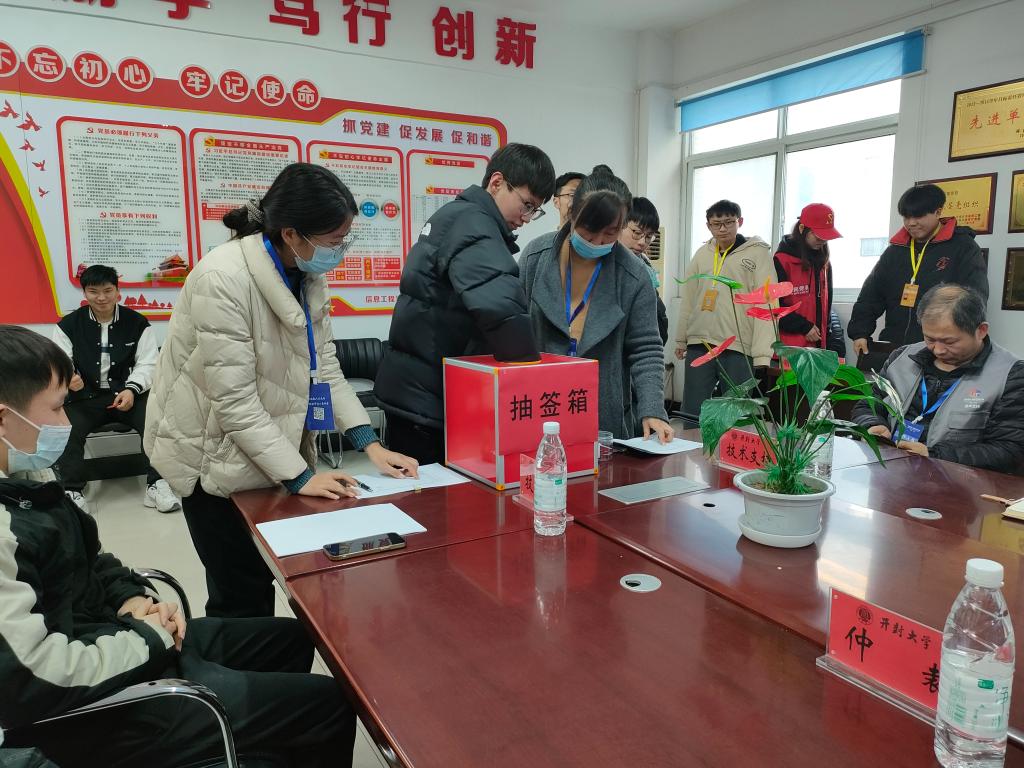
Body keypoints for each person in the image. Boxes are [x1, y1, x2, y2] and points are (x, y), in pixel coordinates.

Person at [0, 325, 355, 768]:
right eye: (56, 408)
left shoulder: (28, 478)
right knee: (328, 703)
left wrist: (132, 598)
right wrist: (150, 637)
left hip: (116, 642)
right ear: (3, 419)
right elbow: (29, 681)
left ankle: (259, 746)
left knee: (290, 638)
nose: (67, 424)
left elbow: (91, 561)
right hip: (95, 711)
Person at [145, 163, 419, 619]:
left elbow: (325, 366)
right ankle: (242, 663)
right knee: (241, 593)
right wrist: (301, 477)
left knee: (278, 573)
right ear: (291, 233)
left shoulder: (307, 274)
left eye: (345, 239)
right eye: (333, 240)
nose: (339, 251)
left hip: (264, 451)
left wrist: (369, 444)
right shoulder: (223, 278)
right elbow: (234, 402)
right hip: (209, 456)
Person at [375, 143, 556, 464]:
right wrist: (532, 379)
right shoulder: (474, 225)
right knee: (432, 490)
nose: (527, 218)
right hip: (428, 398)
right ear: (497, 183)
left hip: (418, 389)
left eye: (535, 210)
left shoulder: (458, 215)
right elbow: (502, 310)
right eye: (526, 205)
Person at [519, 166, 674, 442]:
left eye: (610, 233)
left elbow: (646, 348)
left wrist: (652, 409)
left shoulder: (633, 275)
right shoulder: (536, 258)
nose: (598, 241)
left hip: (603, 412)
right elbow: (513, 326)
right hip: (539, 402)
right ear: (573, 213)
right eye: (589, 231)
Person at [852, 285, 1024, 475]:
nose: (938, 350)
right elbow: (868, 404)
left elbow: (1010, 450)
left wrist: (934, 456)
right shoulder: (901, 358)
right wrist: (872, 424)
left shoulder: (1010, 374)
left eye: (949, 342)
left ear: (981, 331)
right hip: (890, 474)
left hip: (959, 483)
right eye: (930, 339)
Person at [50, 265, 179, 515]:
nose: (101, 298)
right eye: (93, 291)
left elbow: (149, 363)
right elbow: (59, 358)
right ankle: (72, 489)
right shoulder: (68, 325)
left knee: (156, 421)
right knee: (65, 427)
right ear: (84, 293)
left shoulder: (137, 323)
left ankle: (157, 484)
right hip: (85, 397)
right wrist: (69, 376)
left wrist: (132, 389)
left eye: (108, 291)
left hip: (127, 394)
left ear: (118, 291)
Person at [848, 183, 988, 356]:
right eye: (906, 217)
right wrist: (860, 332)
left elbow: (974, 297)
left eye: (918, 216)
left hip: (940, 347)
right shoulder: (895, 251)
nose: (911, 223)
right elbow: (871, 294)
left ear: (938, 212)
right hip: (895, 346)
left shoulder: (963, 247)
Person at [674, 200, 775, 428]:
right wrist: (681, 338)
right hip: (700, 342)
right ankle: (691, 449)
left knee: (736, 414)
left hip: (738, 345)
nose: (722, 229)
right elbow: (689, 299)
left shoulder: (758, 254)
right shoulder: (702, 254)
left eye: (729, 222)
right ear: (708, 226)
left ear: (740, 222)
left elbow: (767, 301)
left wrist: (762, 354)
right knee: (693, 411)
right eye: (716, 224)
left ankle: (731, 452)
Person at [773, 203, 847, 357]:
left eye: (826, 237)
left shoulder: (824, 263)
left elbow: (827, 305)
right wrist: (804, 326)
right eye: (818, 236)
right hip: (791, 349)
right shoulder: (782, 261)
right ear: (802, 229)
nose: (822, 241)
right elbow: (775, 308)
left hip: (818, 347)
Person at [619, 196, 668, 345]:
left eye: (648, 237)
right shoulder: (605, 264)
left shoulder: (644, 263)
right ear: (619, 224)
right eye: (636, 232)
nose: (642, 242)